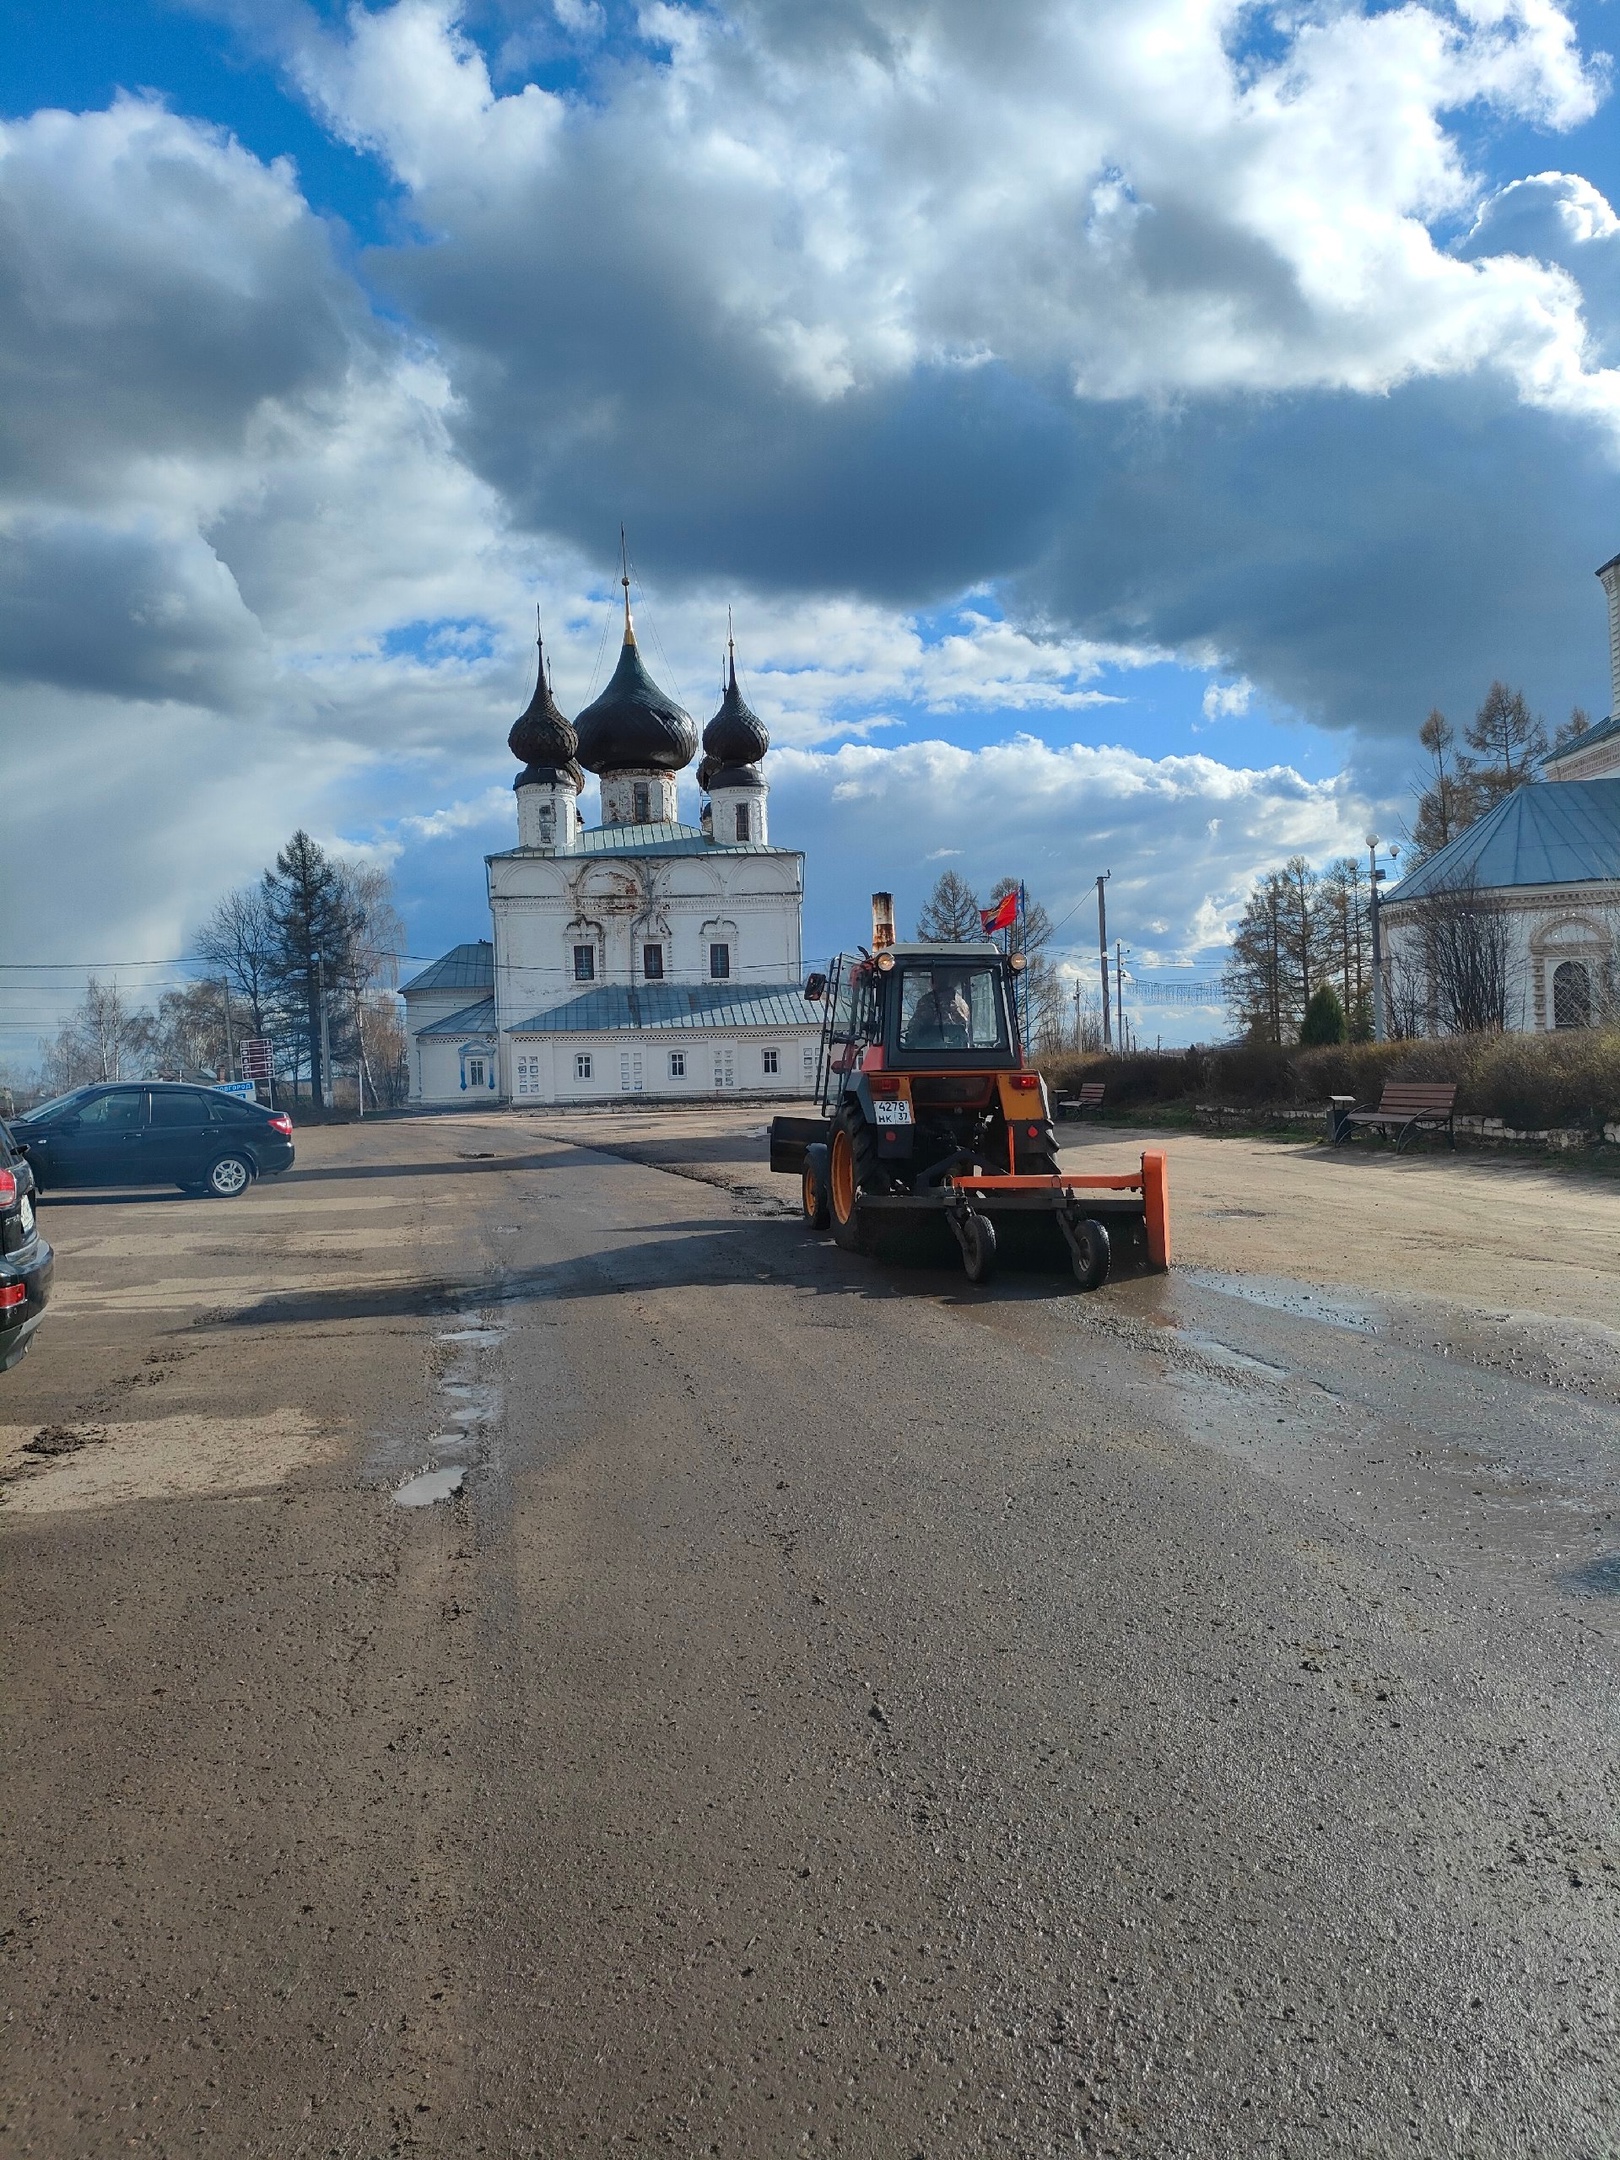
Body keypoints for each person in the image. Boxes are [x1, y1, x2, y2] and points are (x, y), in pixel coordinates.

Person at [904, 970, 973, 1048]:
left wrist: (910, 1043)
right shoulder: (961, 1002)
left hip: (932, 1051)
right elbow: (965, 1027)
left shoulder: (928, 1000)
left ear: (933, 982)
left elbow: (916, 1025)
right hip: (960, 1051)